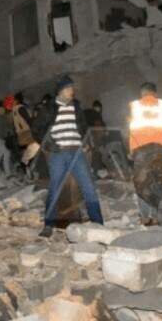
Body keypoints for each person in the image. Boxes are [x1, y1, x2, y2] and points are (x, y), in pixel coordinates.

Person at [33, 75, 104, 237]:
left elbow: (83, 127)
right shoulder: (49, 109)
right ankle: (48, 224)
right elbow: (36, 130)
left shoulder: (76, 107)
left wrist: (86, 142)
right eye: (69, 88)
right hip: (58, 154)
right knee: (55, 188)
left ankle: (98, 223)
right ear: (61, 91)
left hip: (77, 153)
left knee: (88, 187)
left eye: (72, 88)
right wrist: (49, 145)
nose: (72, 91)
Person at [128, 82, 162, 227]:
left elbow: (132, 129)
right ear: (155, 93)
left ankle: (147, 216)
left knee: (142, 186)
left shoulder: (135, 106)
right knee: (160, 184)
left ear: (142, 93)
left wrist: (131, 150)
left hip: (143, 148)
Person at [84, 100, 108, 177]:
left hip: (85, 137)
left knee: (90, 154)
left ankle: (92, 171)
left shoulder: (86, 113)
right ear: (97, 107)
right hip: (94, 138)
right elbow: (99, 128)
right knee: (96, 153)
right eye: (99, 108)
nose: (100, 110)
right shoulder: (96, 115)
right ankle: (96, 172)